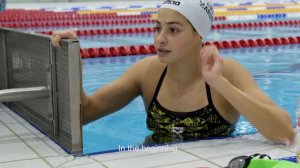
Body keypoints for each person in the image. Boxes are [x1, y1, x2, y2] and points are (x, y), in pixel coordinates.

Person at [51, 0, 295, 144]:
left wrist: (219, 83)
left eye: (173, 30)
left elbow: (284, 131)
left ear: (199, 34)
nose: (160, 39)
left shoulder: (228, 72)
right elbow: (84, 115)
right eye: (157, 28)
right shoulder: (146, 73)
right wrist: (72, 61)